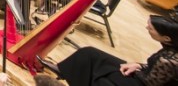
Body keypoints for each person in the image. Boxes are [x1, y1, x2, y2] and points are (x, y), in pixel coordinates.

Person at [39, 14, 178, 86]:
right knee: (90, 53)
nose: (147, 28)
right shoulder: (170, 47)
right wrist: (139, 65)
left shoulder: (168, 61)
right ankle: (63, 69)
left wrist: (138, 69)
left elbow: (151, 83)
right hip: (144, 75)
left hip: (142, 83)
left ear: (166, 38)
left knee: (102, 72)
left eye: (151, 28)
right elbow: (156, 71)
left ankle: (75, 77)